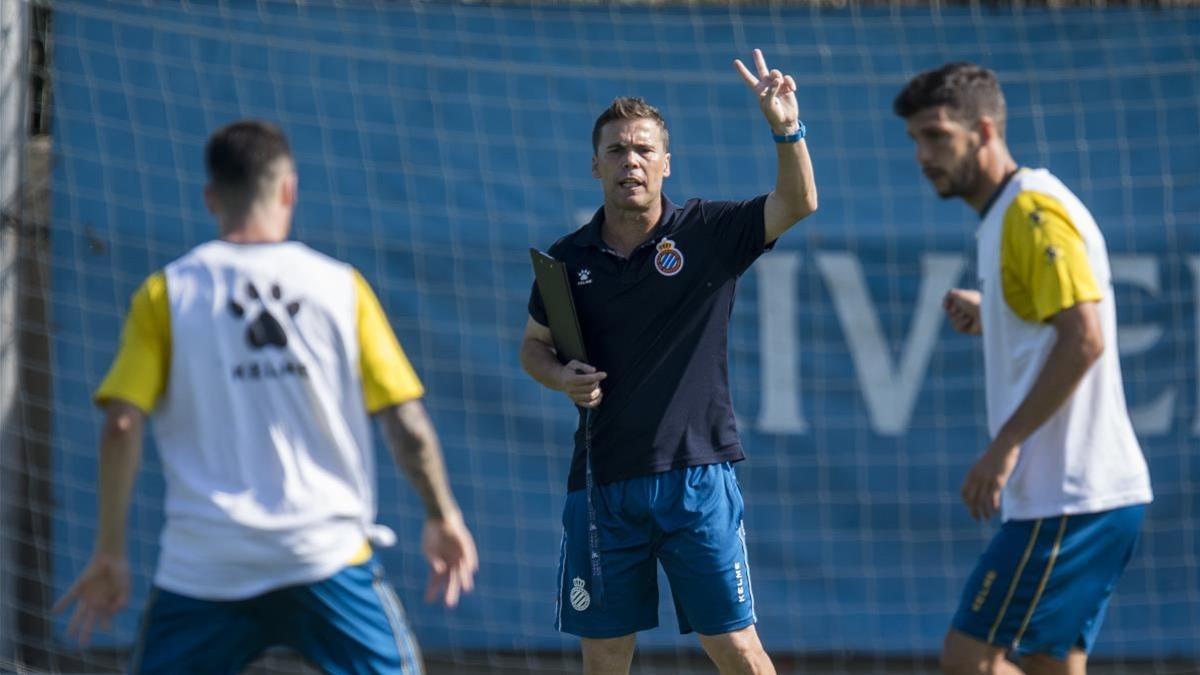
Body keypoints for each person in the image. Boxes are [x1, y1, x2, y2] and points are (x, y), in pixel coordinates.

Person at [54, 120, 478, 674]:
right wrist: (441, 514)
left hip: (205, 565)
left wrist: (109, 550)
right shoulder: (339, 287)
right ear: (288, 189)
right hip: (323, 555)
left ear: (211, 198)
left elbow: (122, 427)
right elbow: (407, 421)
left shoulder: (168, 292)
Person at [519, 49, 817, 675]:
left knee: (737, 649)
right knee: (603, 660)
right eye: (617, 151)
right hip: (602, 486)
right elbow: (533, 347)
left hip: (697, 479)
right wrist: (559, 377)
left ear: (665, 164)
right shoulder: (566, 258)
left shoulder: (709, 232)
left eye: (644, 150)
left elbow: (799, 203)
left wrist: (786, 128)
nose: (631, 161)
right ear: (595, 165)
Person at [894, 63, 1153, 675]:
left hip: (1068, 495)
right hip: (1086, 494)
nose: (923, 155)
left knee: (969, 660)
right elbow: (1061, 319)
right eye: (915, 140)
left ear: (984, 130)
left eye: (937, 136)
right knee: (1051, 664)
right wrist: (998, 313)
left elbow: (1085, 338)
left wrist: (1004, 447)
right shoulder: (1008, 213)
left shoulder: (1030, 211)